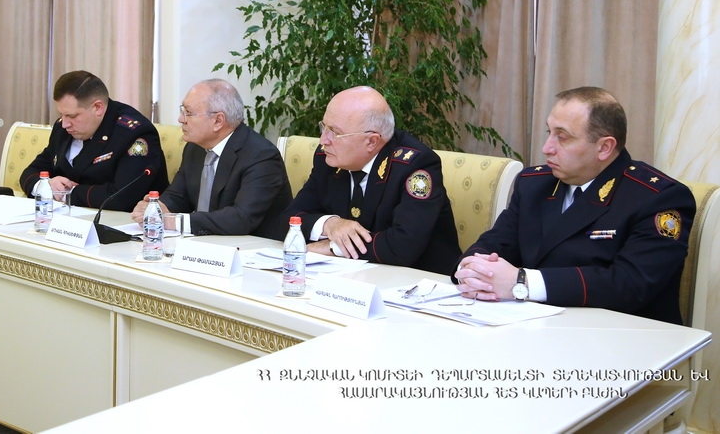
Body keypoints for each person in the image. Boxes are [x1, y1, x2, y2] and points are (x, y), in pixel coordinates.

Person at [454, 87, 695, 325]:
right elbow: (497, 241)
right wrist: (473, 268)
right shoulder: (534, 184)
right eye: (549, 132)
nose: (546, 148)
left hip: (623, 335)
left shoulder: (657, 198)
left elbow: (630, 283)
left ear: (604, 147)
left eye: (562, 137)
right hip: (534, 325)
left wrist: (522, 282)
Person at [283, 86, 461, 273]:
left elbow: (403, 245)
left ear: (372, 141)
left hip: (418, 280)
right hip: (354, 276)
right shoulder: (328, 158)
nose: (323, 140)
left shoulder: (415, 165)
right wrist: (330, 224)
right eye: (324, 127)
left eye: (335, 132)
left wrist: (334, 247)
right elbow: (287, 219)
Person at [130, 79, 292, 237]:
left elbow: (241, 218)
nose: (181, 119)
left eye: (188, 113)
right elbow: (178, 195)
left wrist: (175, 221)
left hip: (251, 247)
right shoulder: (195, 148)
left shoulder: (261, 156)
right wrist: (156, 209)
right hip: (206, 243)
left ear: (218, 121)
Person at [20, 71, 169, 211]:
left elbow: (121, 196)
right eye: (62, 115)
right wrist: (45, 186)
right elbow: (31, 172)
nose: (65, 123)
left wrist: (66, 193)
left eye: (72, 116)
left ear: (98, 107)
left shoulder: (134, 133)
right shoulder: (63, 129)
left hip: (119, 223)